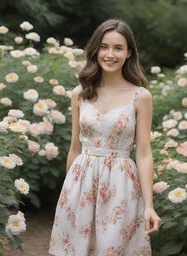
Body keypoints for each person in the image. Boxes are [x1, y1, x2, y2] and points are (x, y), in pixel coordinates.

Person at [49, 18, 161, 256]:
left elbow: (143, 153)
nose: (110, 54)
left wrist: (149, 205)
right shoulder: (80, 93)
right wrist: (68, 193)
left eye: (118, 48)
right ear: (95, 50)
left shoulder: (141, 96)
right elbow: (74, 149)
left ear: (129, 53)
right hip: (81, 183)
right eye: (104, 46)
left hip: (121, 186)